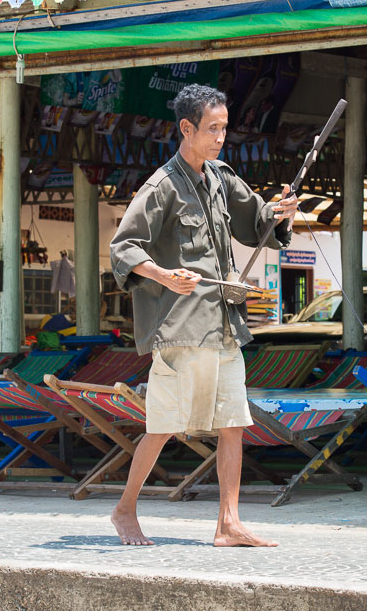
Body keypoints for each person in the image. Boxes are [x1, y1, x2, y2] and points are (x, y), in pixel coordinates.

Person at [109, 83, 299, 548]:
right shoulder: (161, 186)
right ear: (186, 129)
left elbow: (259, 224)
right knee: (164, 425)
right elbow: (123, 248)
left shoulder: (221, 178)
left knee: (233, 422)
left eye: (224, 129)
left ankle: (228, 523)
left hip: (225, 323)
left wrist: (281, 212)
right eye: (212, 129)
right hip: (180, 327)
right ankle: (125, 509)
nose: (219, 138)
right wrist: (162, 275)